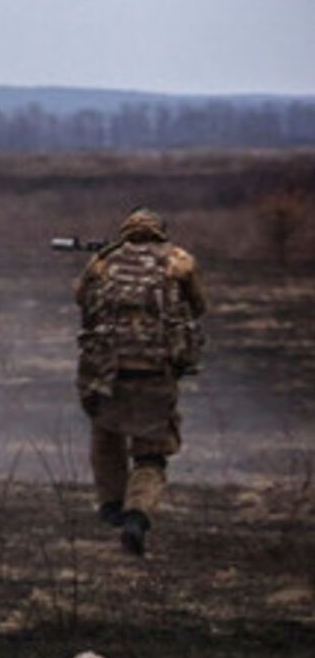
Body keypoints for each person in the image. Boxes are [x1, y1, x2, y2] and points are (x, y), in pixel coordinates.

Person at [75, 207, 206, 556]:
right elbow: (198, 306)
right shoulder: (179, 261)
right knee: (150, 454)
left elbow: (82, 300)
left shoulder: (104, 260)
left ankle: (110, 505)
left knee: (106, 434)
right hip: (155, 371)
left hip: (107, 370)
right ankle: (136, 516)